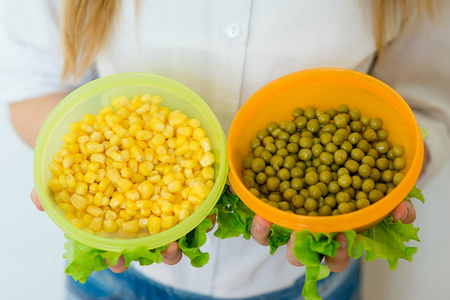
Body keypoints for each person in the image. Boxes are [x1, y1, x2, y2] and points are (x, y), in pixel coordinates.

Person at [3, 0, 449, 299]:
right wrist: (79, 164)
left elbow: (425, 106)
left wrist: (372, 208)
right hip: (120, 282)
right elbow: (33, 85)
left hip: (307, 285)